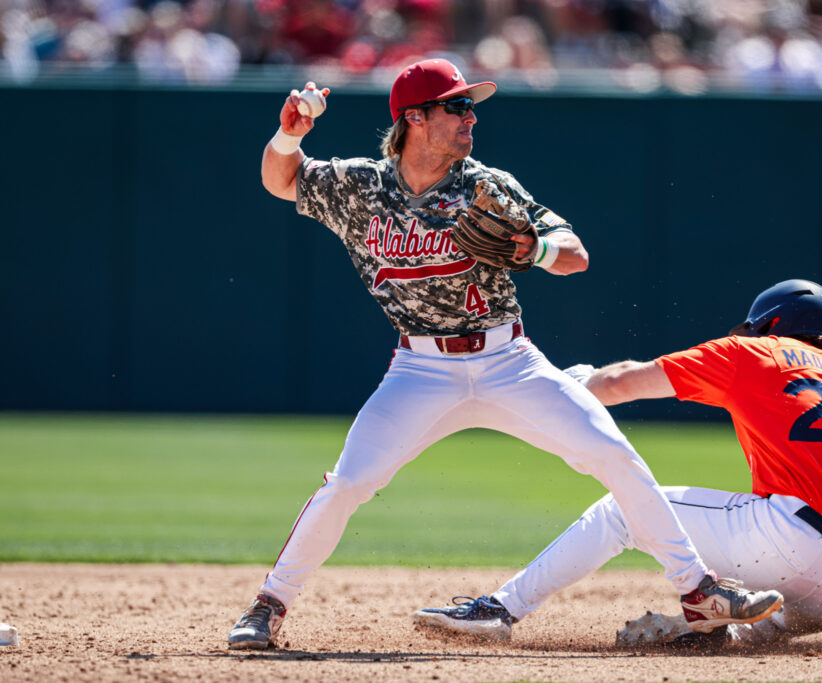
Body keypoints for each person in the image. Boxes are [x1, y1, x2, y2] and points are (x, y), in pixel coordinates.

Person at [226, 58, 782, 649]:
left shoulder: (487, 186)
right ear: (414, 118)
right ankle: (270, 604)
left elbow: (575, 253)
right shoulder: (360, 186)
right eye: (456, 106)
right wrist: (289, 133)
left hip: (507, 361)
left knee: (614, 454)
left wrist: (536, 246)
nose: (470, 117)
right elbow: (281, 180)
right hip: (420, 368)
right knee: (349, 481)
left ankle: (700, 591)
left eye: (471, 106)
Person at [415, 280, 822, 650]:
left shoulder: (754, 353)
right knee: (761, 605)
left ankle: (499, 611)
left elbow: (624, 380)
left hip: (786, 542)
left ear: (769, 324)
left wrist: (562, 386)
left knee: (625, 507)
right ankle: (717, 632)